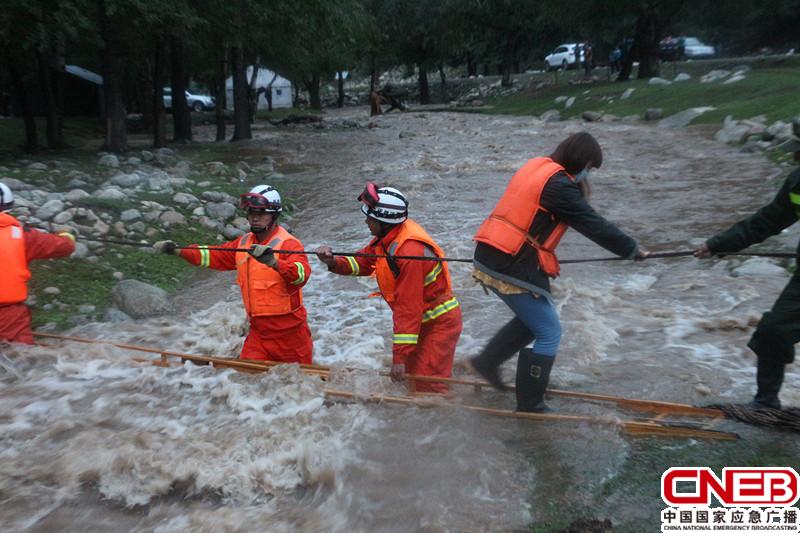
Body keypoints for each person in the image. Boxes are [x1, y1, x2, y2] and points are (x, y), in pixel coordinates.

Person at [468, 133, 648, 412]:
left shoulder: (539, 167)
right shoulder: (560, 187)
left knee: (533, 322)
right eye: (591, 166)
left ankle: (486, 363)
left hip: (492, 252)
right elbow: (592, 223)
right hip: (510, 261)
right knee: (549, 331)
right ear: (582, 161)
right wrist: (631, 248)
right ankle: (530, 403)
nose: (589, 173)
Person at [694, 118, 800, 410]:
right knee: (773, 331)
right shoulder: (797, 182)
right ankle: (766, 405)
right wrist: (717, 244)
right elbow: (765, 222)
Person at [315, 183, 462, 393]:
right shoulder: (386, 240)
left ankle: (444, 417)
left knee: (428, 387)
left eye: (369, 218)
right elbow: (362, 263)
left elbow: (408, 307)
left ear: (384, 221)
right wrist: (332, 262)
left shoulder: (409, 251)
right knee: (414, 381)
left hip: (438, 324)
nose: (366, 221)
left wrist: (399, 358)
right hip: (421, 322)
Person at [154, 184, 313, 364]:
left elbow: (301, 275)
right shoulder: (243, 243)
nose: (254, 218)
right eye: (251, 213)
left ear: (274, 215)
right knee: (244, 381)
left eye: (260, 214)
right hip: (259, 335)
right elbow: (214, 255)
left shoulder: (290, 245)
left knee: (297, 384)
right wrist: (178, 251)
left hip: (290, 337)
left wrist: (275, 263)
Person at [0, 182, 76, 344]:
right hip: (8, 318)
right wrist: (66, 234)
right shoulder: (24, 237)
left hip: (8, 315)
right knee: (18, 362)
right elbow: (65, 246)